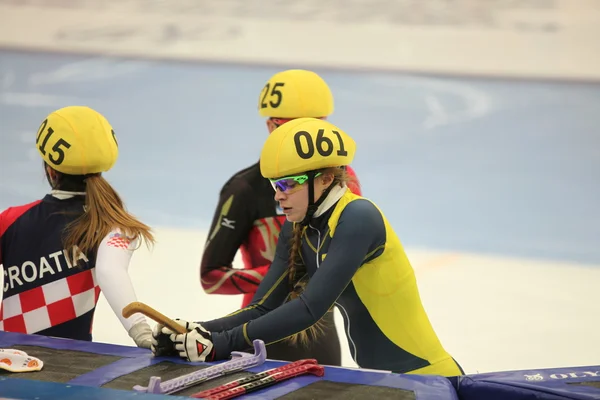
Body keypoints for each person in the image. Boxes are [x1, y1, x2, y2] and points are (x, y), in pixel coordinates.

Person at [152, 117, 464, 376]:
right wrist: (196, 329)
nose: (278, 196)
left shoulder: (358, 217)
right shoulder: (299, 225)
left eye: (288, 184)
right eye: (276, 185)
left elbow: (309, 309)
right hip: (382, 380)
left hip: (427, 377)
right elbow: (263, 306)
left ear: (326, 178)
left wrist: (218, 344)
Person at [199, 69, 361, 365]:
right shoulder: (244, 189)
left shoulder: (344, 178)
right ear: (271, 127)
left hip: (316, 328)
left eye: (315, 127)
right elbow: (211, 277)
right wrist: (290, 276)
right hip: (263, 329)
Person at [0, 105, 154, 348]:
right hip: (73, 365)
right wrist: (141, 331)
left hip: (10, 361)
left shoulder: (10, 220)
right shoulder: (115, 226)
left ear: (50, 170)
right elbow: (110, 271)